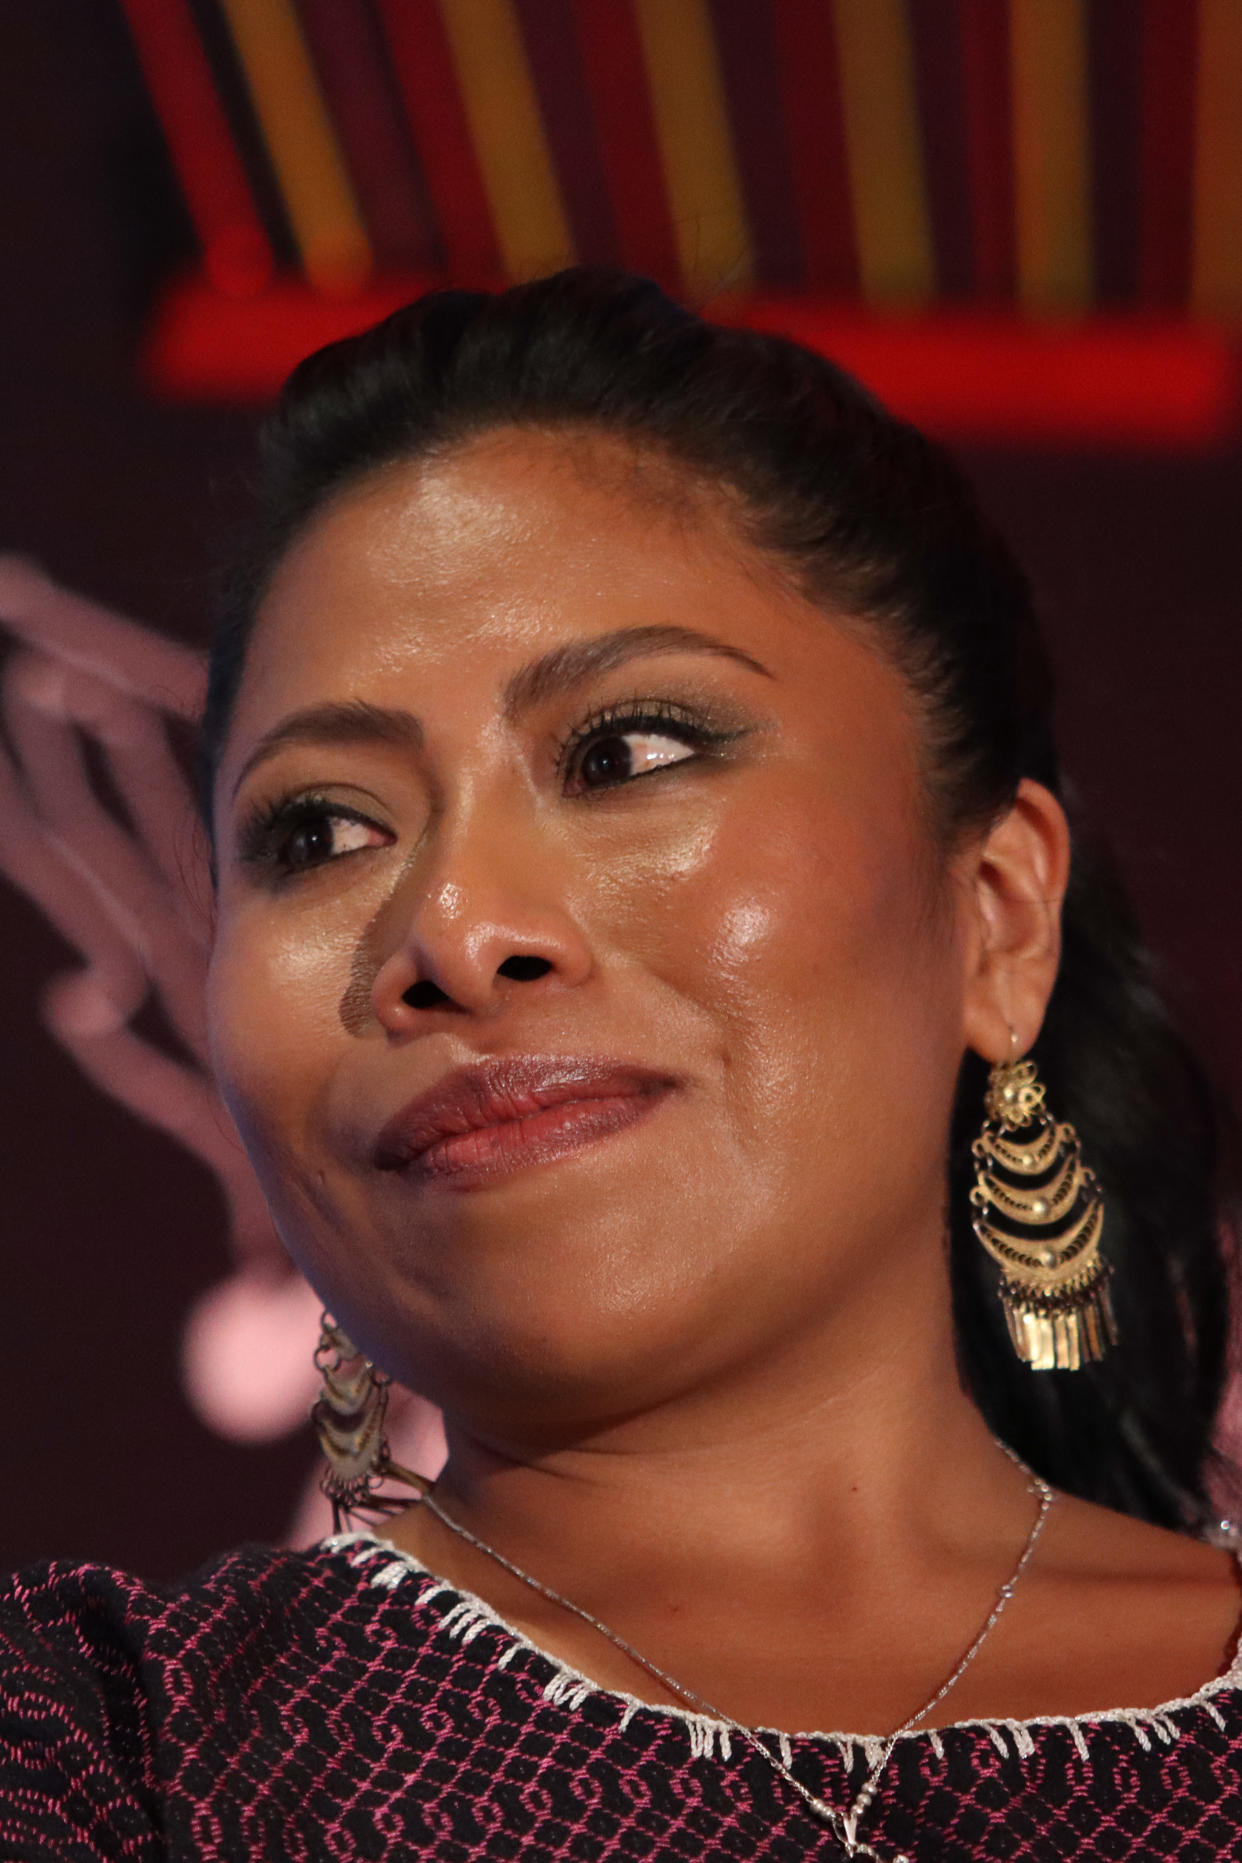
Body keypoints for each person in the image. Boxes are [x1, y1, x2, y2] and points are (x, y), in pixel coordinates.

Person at [1, 269, 1239, 1862]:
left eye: (627, 752)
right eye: (318, 831)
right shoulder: (103, 1755)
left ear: (994, 916)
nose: (450, 927)